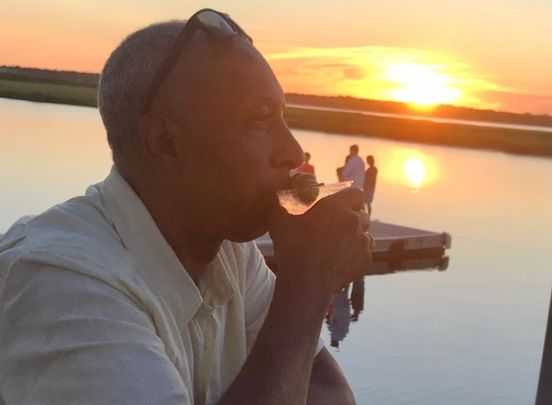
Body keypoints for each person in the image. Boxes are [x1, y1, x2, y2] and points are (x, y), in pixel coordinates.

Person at [0, 9, 371, 405]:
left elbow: (328, 393)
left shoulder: (233, 255)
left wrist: (305, 286)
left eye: (284, 117)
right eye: (261, 119)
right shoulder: (60, 281)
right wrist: (308, 284)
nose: (293, 151)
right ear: (165, 142)